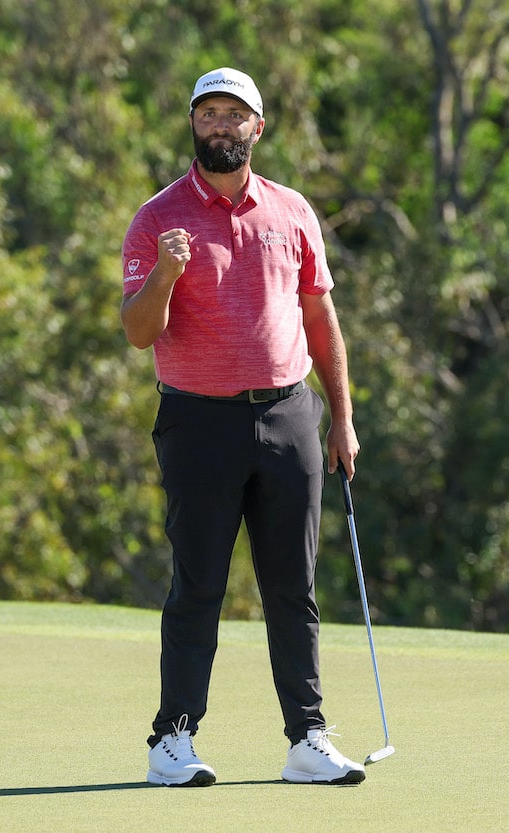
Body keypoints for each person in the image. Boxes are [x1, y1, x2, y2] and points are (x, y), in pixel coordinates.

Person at [120, 67, 365, 787]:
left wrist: (342, 418)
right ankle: (172, 739)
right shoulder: (156, 218)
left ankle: (307, 738)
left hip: (290, 415)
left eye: (235, 115)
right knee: (198, 585)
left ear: (259, 127)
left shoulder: (292, 211)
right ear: (192, 125)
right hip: (198, 421)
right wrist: (164, 274)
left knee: (294, 585)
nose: (220, 125)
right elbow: (139, 333)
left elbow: (320, 318)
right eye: (208, 115)